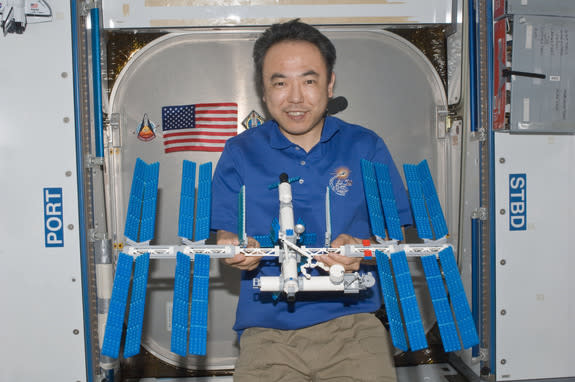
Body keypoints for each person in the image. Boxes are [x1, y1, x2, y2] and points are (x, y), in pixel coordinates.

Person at [211, 19, 412, 381]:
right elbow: (225, 237)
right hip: (266, 334)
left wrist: (360, 249)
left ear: (330, 82)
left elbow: (393, 238)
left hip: (354, 326)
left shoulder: (365, 147)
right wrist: (234, 250)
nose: (295, 98)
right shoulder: (240, 153)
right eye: (280, 82)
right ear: (263, 88)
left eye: (308, 80)